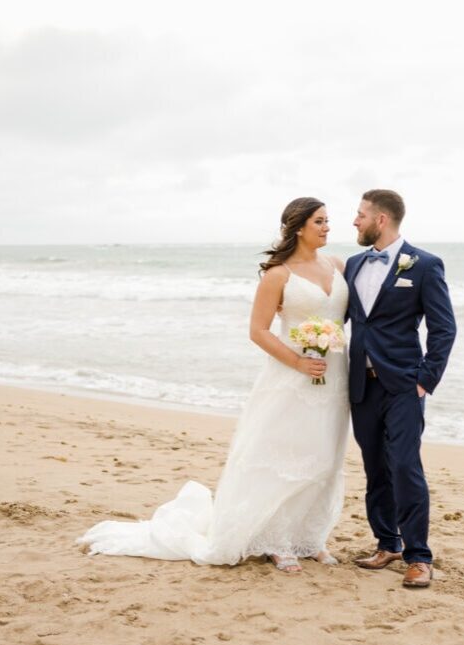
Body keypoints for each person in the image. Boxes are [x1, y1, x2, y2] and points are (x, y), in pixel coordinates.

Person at [76, 197, 350, 573]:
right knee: (284, 455)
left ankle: (310, 538)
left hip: (334, 377)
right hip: (291, 378)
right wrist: (299, 361)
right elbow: (258, 331)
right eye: (319, 221)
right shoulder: (278, 274)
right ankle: (276, 539)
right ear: (299, 226)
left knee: (323, 458)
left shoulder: (337, 265)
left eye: (328, 221)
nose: (327, 227)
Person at [345, 189, 456, 588]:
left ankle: (418, 556)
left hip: (405, 385)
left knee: (405, 467)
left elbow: (444, 327)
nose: (354, 221)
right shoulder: (354, 265)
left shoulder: (425, 264)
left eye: (360, 215)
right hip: (361, 384)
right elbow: (339, 317)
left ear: (381, 219)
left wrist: (426, 379)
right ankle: (386, 542)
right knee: (375, 467)